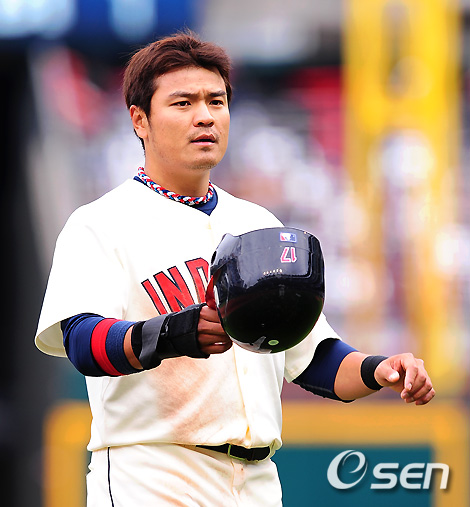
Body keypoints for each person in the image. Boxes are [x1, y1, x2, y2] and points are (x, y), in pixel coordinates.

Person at [35, 31, 435, 507]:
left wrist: (378, 370)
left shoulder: (258, 223)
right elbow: (82, 342)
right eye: (182, 103)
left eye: (216, 101)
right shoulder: (100, 223)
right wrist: (172, 334)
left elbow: (313, 359)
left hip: (257, 482)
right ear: (139, 120)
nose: (205, 116)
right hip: (151, 475)